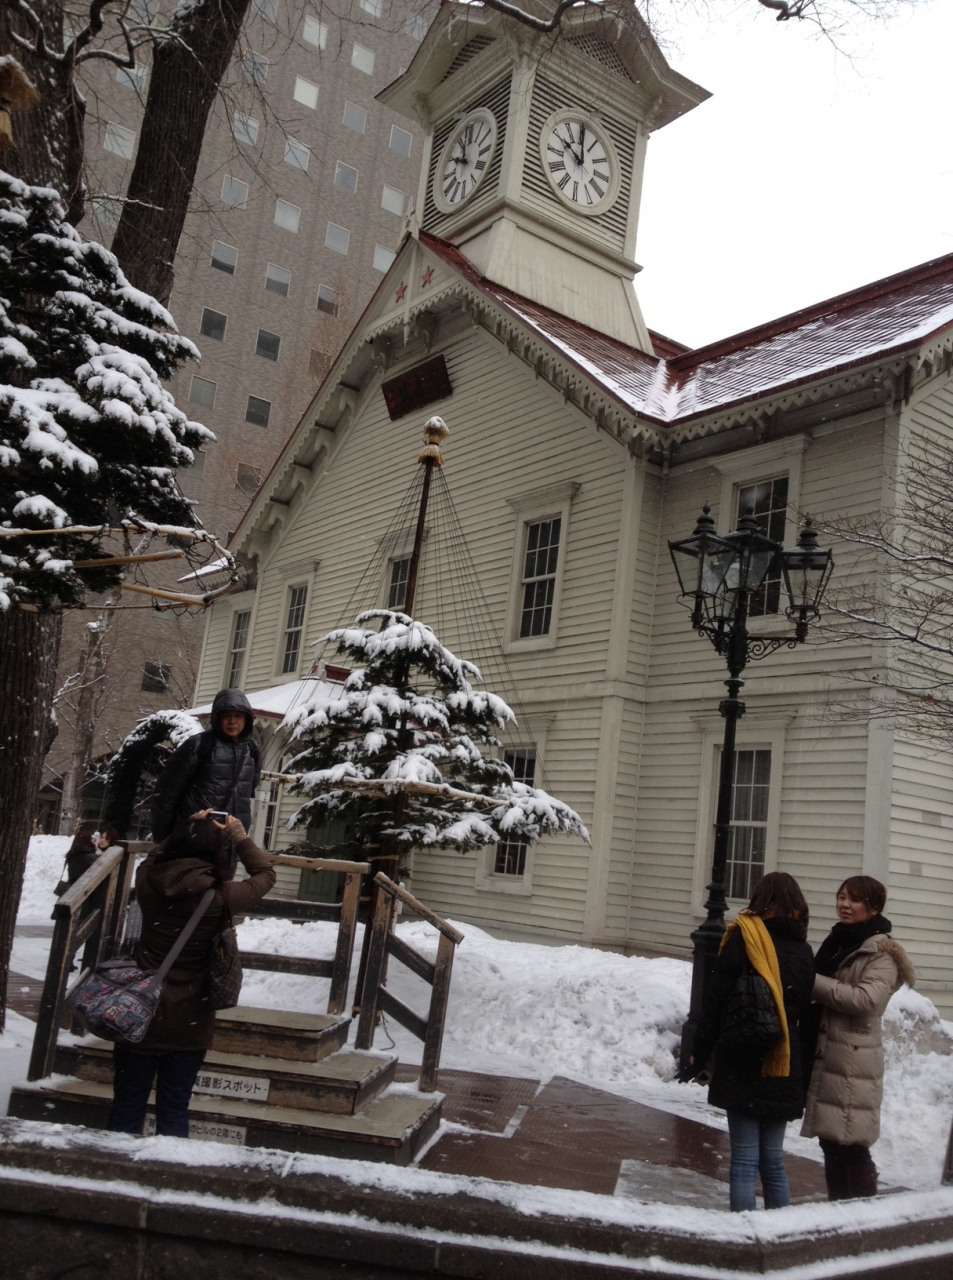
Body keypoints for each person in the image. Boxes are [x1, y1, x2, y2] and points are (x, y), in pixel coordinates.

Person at [108, 810, 275, 1138]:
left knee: (126, 1105)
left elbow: (152, 856)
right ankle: (169, 1166)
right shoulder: (221, 897)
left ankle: (110, 1164)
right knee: (174, 1107)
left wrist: (186, 826)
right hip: (190, 1020)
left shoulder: (148, 880)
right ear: (215, 852)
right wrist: (239, 836)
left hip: (139, 1013)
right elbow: (265, 874)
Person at [691, 872, 816, 1212]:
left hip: (744, 1054)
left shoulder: (743, 937)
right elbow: (803, 1008)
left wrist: (700, 1051)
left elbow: (716, 1000)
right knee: (773, 1159)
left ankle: (744, 1233)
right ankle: (781, 1232)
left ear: (760, 899)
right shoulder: (803, 949)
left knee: (745, 1159)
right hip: (784, 1058)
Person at [801, 875, 913, 1200]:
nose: (844, 905)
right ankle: (840, 1209)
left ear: (873, 907)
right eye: (841, 897)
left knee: (851, 1142)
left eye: (853, 900)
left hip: (852, 1059)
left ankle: (863, 1213)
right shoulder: (838, 940)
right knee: (830, 1139)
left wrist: (810, 981)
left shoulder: (881, 953)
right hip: (827, 1051)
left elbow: (865, 1000)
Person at [150, 689, 261, 843]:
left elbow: (246, 796)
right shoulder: (199, 745)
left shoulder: (251, 750)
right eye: (226, 716)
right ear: (217, 718)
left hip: (231, 841)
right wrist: (163, 837)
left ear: (246, 719)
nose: (232, 721)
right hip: (195, 839)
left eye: (238, 716)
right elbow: (166, 793)